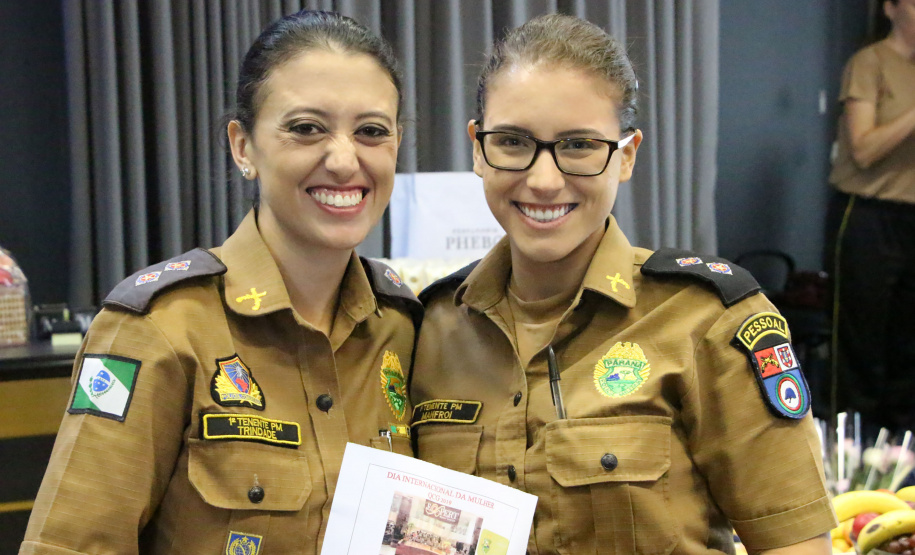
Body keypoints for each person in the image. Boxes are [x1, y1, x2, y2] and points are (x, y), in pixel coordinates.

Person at [410, 14, 836, 555]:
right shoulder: (434, 327)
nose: (544, 180)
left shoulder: (708, 319)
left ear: (627, 155)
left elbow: (793, 545)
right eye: (513, 141)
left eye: (579, 145)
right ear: (478, 148)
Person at [21, 10, 419, 554]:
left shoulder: (403, 326)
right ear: (242, 146)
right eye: (307, 128)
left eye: (372, 131)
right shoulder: (157, 329)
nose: (344, 160)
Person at [826, 0, 915, 435]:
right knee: (860, 344)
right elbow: (862, 150)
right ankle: (851, 449)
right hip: (866, 215)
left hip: (911, 218)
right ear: (891, 8)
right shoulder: (870, 61)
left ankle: (899, 453)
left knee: (908, 345)